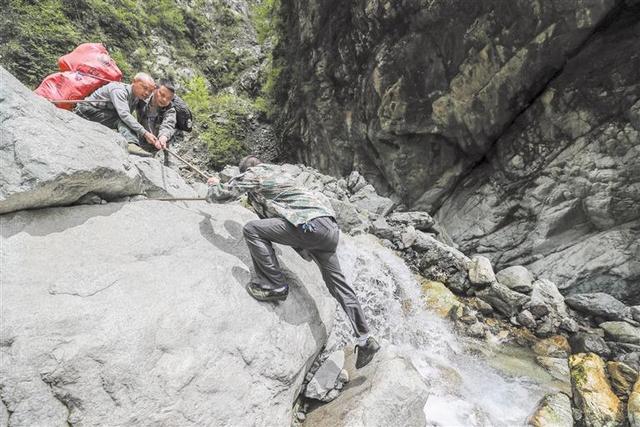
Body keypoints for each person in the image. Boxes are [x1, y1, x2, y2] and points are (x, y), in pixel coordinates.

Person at [206, 155, 381, 369]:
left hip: (309, 227)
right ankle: (365, 337)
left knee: (251, 229)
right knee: (339, 286)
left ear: (246, 171)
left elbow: (223, 194)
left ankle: (275, 285)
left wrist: (214, 187)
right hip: (328, 229)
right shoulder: (283, 173)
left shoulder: (255, 173)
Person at [75, 72, 158, 151]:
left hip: (100, 113)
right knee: (122, 119)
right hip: (86, 111)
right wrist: (145, 133)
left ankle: (133, 143)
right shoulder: (119, 91)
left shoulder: (136, 97)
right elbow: (124, 115)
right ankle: (131, 143)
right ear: (134, 82)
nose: (147, 93)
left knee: (129, 119)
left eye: (150, 91)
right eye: (144, 88)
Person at [130, 78, 178, 158]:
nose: (164, 100)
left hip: (153, 147)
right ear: (155, 89)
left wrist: (163, 137)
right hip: (135, 140)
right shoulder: (142, 97)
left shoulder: (170, 110)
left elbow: (168, 125)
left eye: (169, 99)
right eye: (162, 95)